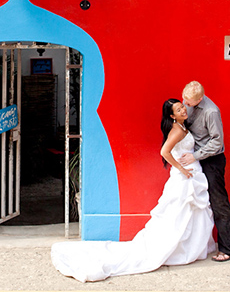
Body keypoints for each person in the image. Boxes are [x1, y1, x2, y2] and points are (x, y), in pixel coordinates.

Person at [51, 98, 216, 282]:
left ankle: (190, 246)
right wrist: (181, 168)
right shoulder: (177, 130)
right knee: (179, 214)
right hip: (184, 178)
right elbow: (164, 152)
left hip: (192, 176)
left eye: (182, 107)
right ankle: (179, 249)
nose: (183, 110)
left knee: (190, 214)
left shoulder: (183, 126)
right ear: (172, 115)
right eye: (178, 110)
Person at [179, 80, 230, 262]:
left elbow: (217, 142)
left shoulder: (212, 112)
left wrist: (195, 156)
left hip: (211, 160)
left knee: (218, 202)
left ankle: (228, 249)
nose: (185, 105)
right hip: (194, 159)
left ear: (200, 99)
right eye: (184, 100)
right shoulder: (188, 101)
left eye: (189, 103)